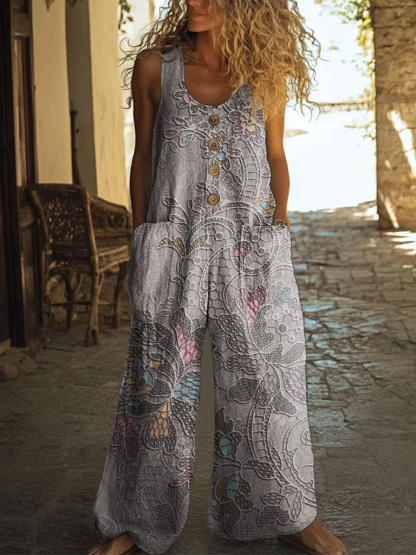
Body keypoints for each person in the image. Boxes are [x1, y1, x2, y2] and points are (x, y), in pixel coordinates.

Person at [88, 1, 347, 554]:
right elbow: (143, 158)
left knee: (268, 382)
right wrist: (144, 238)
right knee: (156, 382)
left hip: (251, 250)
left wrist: (276, 229)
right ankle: (135, 520)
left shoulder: (265, 72)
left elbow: (276, 157)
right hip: (173, 246)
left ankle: (289, 514)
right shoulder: (156, 69)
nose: (194, 2)